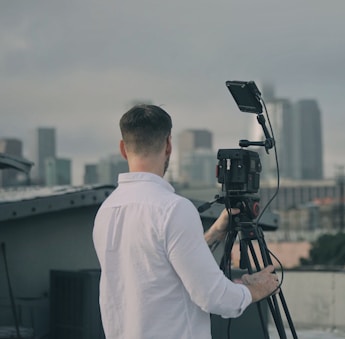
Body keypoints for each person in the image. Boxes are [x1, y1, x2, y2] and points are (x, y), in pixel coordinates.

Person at [93, 104, 279, 339]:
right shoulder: (173, 209)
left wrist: (212, 235)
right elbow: (214, 297)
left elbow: (159, 263)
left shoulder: (107, 211)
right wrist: (257, 288)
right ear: (169, 145)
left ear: (122, 148)